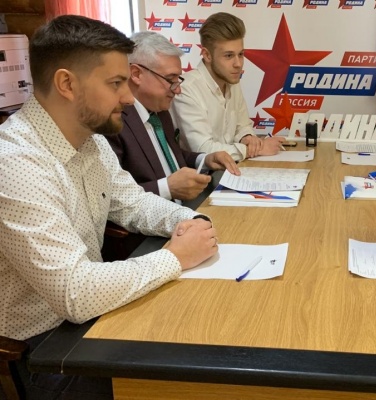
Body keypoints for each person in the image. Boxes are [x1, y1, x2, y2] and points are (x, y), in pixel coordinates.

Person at [0, 15, 219, 399]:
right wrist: (175, 257)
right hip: (43, 350)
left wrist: (190, 220)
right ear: (67, 84)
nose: (129, 97)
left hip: (93, 318)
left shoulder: (92, 140)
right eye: (116, 83)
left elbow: (133, 203)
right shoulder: (14, 163)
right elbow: (75, 292)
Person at [107, 31, 240, 203]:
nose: (177, 89)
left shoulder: (160, 111)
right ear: (136, 74)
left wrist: (205, 159)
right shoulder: (112, 122)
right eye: (170, 80)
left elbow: (171, 155)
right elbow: (111, 197)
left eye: (178, 79)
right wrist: (167, 188)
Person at [170, 12, 285, 162]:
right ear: (207, 55)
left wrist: (247, 137)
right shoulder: (186, 89)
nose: (238, 64)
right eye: (229, 56)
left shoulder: (231, 78)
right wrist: (255, 149)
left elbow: (242, 125)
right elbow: (202, 149)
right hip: (200, 174)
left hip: (232, 168)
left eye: (241, 54)